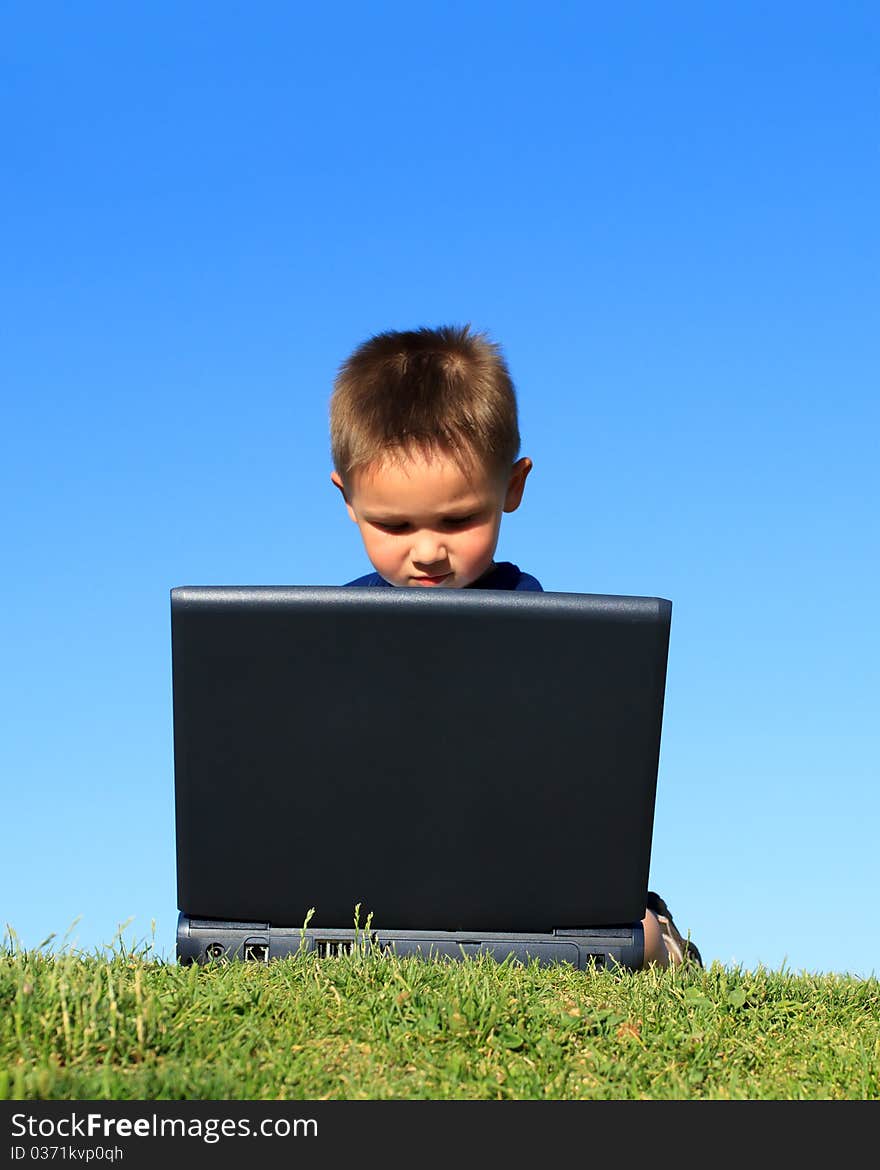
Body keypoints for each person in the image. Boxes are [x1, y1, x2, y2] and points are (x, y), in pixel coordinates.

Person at [328, 323, 701, 968]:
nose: (427, 551)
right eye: (395, 523)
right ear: (349, 502)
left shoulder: (541, 630)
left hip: (524, 879)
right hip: (374, 886)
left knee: (628, 934)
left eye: (458, 519)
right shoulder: (329, 635)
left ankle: (661, 933)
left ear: (513, 487)